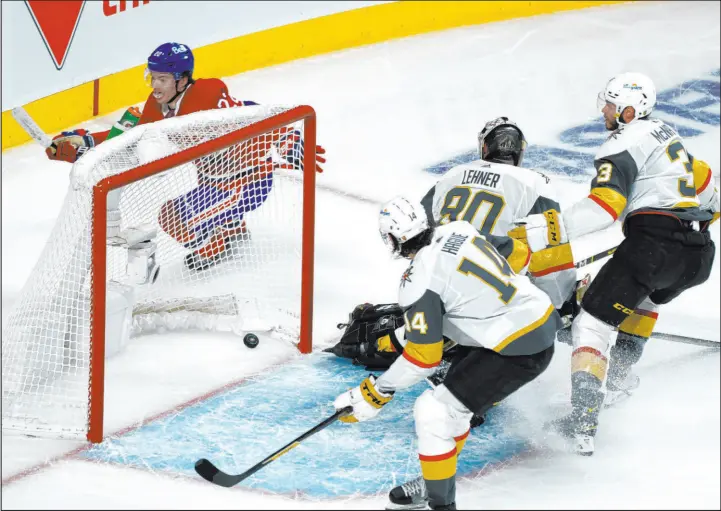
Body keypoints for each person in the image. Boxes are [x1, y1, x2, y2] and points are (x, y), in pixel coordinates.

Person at [517, 72, 719, 455]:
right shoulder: (669, 138)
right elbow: (714, 198)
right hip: (698, 255)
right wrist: (680, 233)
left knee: (591, 323)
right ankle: (620, 376)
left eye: (609, 104)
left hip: (654, 249)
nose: (603, 111)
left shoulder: (622, 143)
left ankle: (583, 422)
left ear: (629, 111)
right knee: (643, 299)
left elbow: (603, 208)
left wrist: (540, 232)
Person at [333, 197, 561, 510]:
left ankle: (440, 504)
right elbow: (518, 254)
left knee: (433, 411)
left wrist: (376, 391)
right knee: (452, 407)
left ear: (391, 240)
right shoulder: (460, 229)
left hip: (516, 348)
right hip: (539, 322)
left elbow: (424, 359)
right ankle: (433, 482)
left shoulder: (417, 282)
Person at [45, 41, 326, 271]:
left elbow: (250, 114)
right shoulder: (159, 105)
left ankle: (225, 236)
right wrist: (84, 142)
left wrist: (289, 139)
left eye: (162, 79)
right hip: (212, 181)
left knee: (173, 218)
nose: (154, 86)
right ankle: (232, 226)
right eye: (151, 77)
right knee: (175, 214)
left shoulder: (207, 96)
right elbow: (128, 139)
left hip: (246, 182)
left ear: (181, 80)